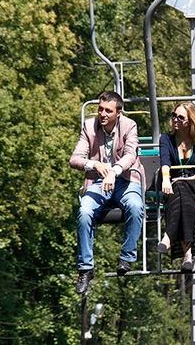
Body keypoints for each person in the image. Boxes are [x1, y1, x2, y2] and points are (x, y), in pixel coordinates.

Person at [69, 91, 145, 294]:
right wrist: (94, 164)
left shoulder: (129, 126)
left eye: (108, 111)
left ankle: (127, 257)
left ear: (118, 113)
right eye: (100, 109)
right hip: (98, 182)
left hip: (126, 180)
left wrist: (114, 171)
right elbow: (74, 159)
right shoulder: (89, 127)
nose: (102, 114)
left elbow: (130, 155)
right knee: (84, 212)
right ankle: (86, 268)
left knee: (136, 207)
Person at [157, 102, 195, 271]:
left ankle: (168, 236)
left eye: (180, 117)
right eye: (173, 115)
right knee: (183, 197)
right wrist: (166, 180)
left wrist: (188, 179)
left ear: (191, 121)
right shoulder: (166, 139)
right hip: (175, 186)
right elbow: (165, 162)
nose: (175, 119)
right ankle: (188, 255)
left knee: (182, 186)